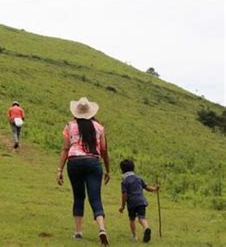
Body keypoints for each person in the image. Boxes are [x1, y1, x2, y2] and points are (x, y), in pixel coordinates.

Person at [56, 97, 110, 245]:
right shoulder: (99, 127)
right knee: (95, 197)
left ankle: (78, 232)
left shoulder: (70, 126)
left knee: (79, 197)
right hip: (93, 162)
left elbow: (65, 148)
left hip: (74, 162)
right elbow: (104, 150)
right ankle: (101, 228)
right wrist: (107, 170)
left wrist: (59, 169)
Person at [118, 159, 160, 243]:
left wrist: (122, 206)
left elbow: (124, 195)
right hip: (141, 202)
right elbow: (147, 188)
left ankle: (135, 236)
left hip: (132, 203)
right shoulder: (138, 178)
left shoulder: (124, 181)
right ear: (133, 168)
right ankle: (146, 228)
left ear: (122, 170)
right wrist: (155, 188)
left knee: (132, 219)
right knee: (141, 218)